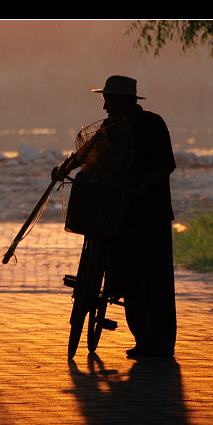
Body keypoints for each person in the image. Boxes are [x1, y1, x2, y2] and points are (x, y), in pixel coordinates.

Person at [55, 75, 177, 358]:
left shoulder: (153, 124)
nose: (105, 108)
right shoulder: (110, 127)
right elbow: (86, 153)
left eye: (108, 101)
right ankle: (143, 340)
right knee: (130, 278)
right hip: (120, 214)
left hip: (152, 214)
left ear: (123, 101)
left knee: (156, 280)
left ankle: (161, 343)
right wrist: (65, 166)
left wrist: (142, 185)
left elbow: (167, 165)